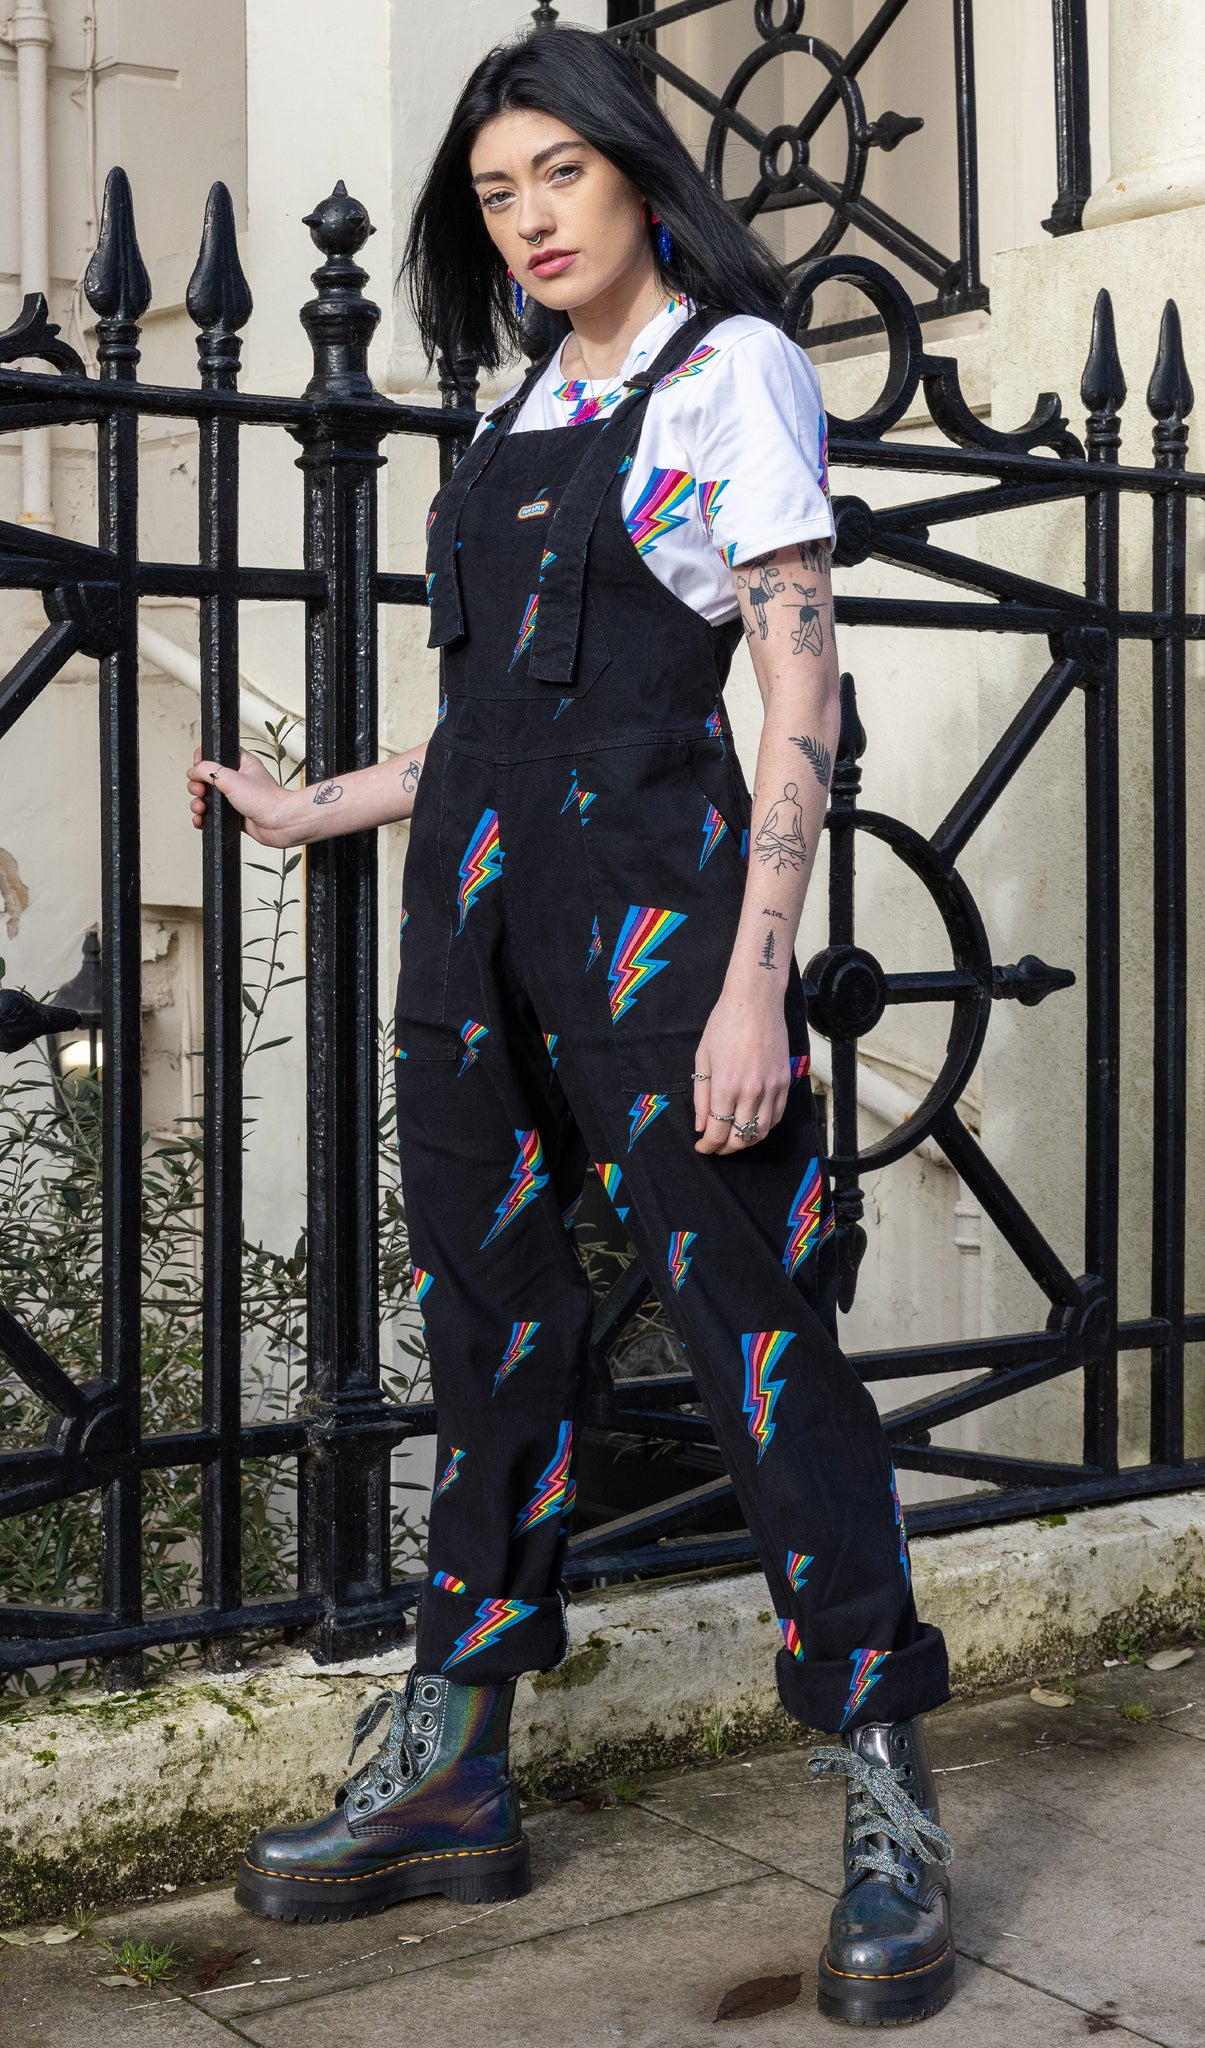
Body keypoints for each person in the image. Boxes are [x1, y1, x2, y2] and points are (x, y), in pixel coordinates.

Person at [185, 24, 956, 2028]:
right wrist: (329, 799)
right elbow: (509, 723)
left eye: (562, 176)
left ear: (637, 175)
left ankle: (883, 1781)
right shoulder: (529, 402)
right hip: (475, 944)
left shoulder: (731, 376)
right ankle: (455, 1763)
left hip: (661, 946)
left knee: (759, 1342)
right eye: (497, 190)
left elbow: (796, 695)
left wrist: (756, 982)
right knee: (488, 1326)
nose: (527, 218)